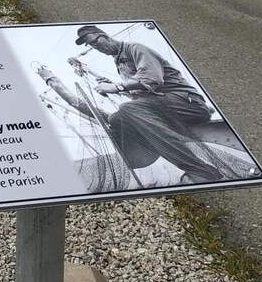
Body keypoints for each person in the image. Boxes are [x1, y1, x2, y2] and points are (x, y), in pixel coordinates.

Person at [72, 25, 224, 184]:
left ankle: (200, 169)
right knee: (115, 119)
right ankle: (151, 149)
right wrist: (117, 89)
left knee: (126, 109)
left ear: (104, 35)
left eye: (96, 43)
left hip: (187, 103)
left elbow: (153, 78)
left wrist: (117, 87)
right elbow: (142, 96)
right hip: (165, 107)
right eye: (92, 46)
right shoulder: (120, 63)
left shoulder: (135, 49)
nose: (97, 48)